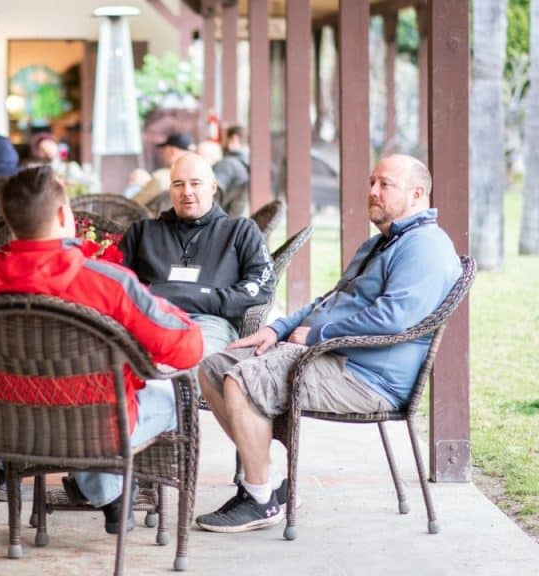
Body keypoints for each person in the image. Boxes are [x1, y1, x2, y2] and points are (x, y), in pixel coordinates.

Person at [0, 165, 203, 534]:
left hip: (8, 427)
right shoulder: (110, 283)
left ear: (9, 220)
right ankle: (111, 494)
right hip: (101, 430)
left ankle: (111, 496)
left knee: (91, 404)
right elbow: (187, 349)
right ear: (63, 215)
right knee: (174, 395)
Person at [195, 154, 462, 533]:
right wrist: (280, 328)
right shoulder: (381, 244)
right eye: (372, 182)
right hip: (334, 356)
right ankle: (269, 485)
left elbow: (394, 320)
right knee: (216, 366)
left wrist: (318, 335)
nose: (372, 192)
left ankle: (257, 500)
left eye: (385, 185)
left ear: (417, 193)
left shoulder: (424, 247)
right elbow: (330, 299)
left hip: (368, 376)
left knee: (240, 380)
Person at [120, 152, 274, 357]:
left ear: (212, 187)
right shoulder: (142, 232)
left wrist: (200, 298)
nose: (187, 192)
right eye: (178, 184)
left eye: (195, 183)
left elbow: (262, 285)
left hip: (209, 323)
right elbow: (116, 281)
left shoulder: (240, 230)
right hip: (150, 319)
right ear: (170, 190)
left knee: (189, 358)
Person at [132, 132, 194, 207]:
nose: (163, 154)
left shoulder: (161, 177)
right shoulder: (199, 176)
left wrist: (135, 185)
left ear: (172, 151)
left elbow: (133, 204)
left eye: (164, 149)